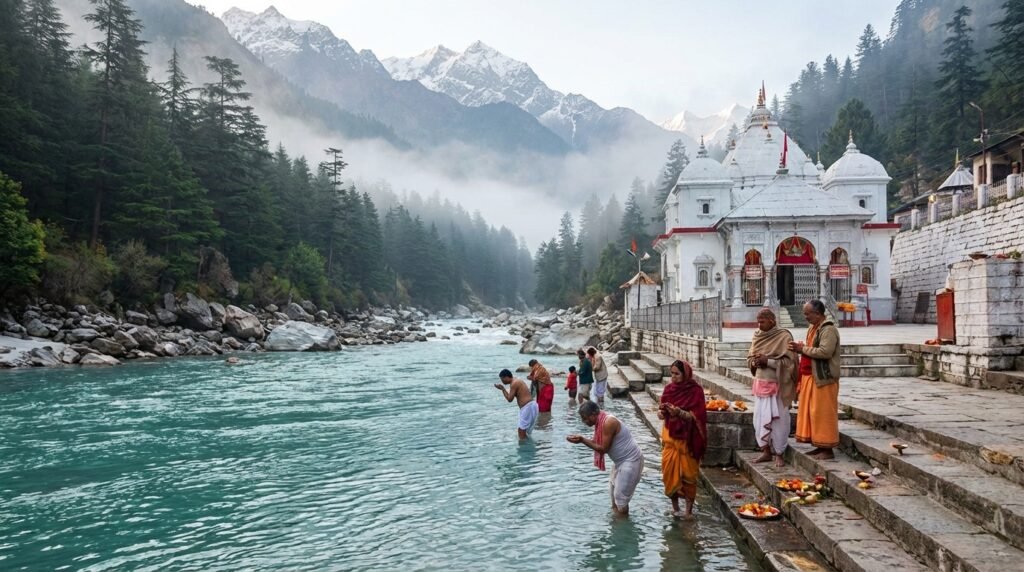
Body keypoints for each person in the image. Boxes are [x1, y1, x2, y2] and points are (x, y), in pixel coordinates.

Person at [567, 401, 645, 517]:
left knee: (621, 501)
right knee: (614, 499)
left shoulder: (609, 422)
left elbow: (602, 448)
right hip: (620, 462)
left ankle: (623, 528)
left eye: (585, 418)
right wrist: (581, 439)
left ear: (593, 414)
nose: (584, 422)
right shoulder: (601, 421)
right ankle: (616, 526)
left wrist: (582, 440)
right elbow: (598, 443)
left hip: (631, 461)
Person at [788, 300, 841, 460]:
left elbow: (825, 352)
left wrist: (802, 349)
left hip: (824, 378)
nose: (805, 317)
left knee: (823, 413)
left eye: (807, 314)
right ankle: (818, 446)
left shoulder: (829, 329)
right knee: (813, 413)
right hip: (811, 376)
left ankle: (827, 448)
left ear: (817, 314)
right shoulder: (813, 328)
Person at [746, 309, 798, 467]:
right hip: (761, 384)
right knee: (760, 419)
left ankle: (779, 453)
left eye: (762, 322)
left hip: (778, 386)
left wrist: (767, 361)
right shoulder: (757, 335)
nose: (759, 325)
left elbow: (791, 364)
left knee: (779, 420)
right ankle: (766, 451)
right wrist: (754, 362)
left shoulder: (784, 336)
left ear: (772, 321)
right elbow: (749, 357)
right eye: (758, 321)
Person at [658, 360, 707, 518]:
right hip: (670, 439)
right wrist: (662, 413)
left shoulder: (695, 391)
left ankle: (688, 511)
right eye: (671, 373)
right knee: (668, 474)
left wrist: (679, 413)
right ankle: (675, 508)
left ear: (685, 374)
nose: (673, 377)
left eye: (677, 374)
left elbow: (697, 416)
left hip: (687, 440)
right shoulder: (669, 389)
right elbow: (661, 413)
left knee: (689, 476)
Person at [495, 368, 538, 439]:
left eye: (502, 379)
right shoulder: (517, 381)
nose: (502, 381)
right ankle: (528, 447)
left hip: (528, 407)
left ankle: (524, 449)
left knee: (521, 431)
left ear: (506, 377)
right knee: (525, 432)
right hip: (531, 406)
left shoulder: (514, 383)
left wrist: (503, 389)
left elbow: (509, 399)